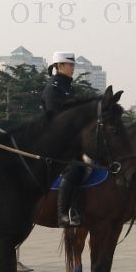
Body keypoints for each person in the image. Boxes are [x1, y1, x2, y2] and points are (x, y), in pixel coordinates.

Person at [41, 51, 83, 227]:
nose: (73, 68)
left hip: (71, 138)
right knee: (74, 169)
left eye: (73, 65)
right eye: (69, 65)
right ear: (59, 66)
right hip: (55, 139)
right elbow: (55, 118)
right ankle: (62, 212)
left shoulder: (67, 86)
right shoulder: (54, 87)